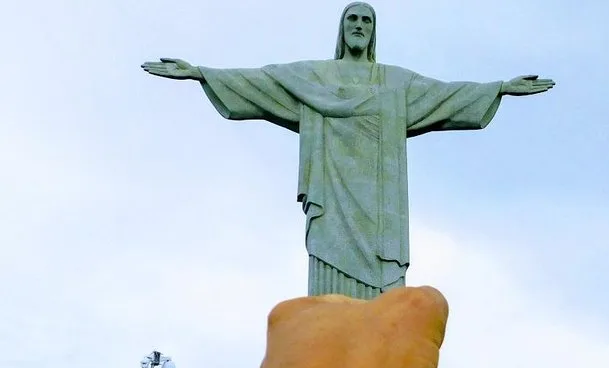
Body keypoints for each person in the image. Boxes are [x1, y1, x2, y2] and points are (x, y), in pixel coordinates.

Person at [141, 2, 555, 299]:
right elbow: (262, 82)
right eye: (352, 19)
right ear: (341, 30)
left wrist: (499, 88)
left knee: (383, 306)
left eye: (366, 20)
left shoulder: (395, 81)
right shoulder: (315, 76)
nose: (359, 25)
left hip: (380, 211)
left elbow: (444, 95)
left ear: (374, 32)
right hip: (332, 202)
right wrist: (200, 73)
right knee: (329, 291)